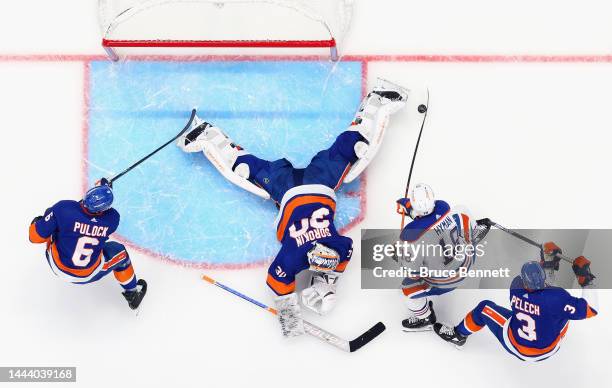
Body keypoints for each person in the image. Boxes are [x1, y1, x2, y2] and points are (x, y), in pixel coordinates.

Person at [177, 79, 408, 337]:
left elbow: (335, 258)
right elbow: (278, 281)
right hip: (316, 185)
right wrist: (314, 295)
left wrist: (317, 291)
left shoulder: (325, 247)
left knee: (250, 168)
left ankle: (207, 134)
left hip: (295, 189)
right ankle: (376, 100)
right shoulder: (298, 254)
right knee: (346, 150)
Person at [433, 249, 597, 362]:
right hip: (550, 348)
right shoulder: (558, 297)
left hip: (516, 344)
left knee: (484, 308)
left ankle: (458, 335)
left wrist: (547, 262)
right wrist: (586, 278)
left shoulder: (516, 286)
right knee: (563, 312)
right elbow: (592, 309)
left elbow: (539, 289)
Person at [29, 180, 147, 310]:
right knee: (121, 254)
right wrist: (104, 189)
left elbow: (34, 238)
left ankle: (44, 224)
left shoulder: (63, 209)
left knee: (50, 218)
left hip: (56, 264)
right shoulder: (112, 219)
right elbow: (99, 215)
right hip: (86, 273)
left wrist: (42, 222)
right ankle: (133, 293)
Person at [395, 183, 490, 331]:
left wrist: (401, 251)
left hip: (449, 281)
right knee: (461, 209)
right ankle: (473, 230)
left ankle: (425, 317)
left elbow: (412, 275)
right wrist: (412, 210)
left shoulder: (409, 235)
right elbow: (429, 217)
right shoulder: (443, 207)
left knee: (407, 289)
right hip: (468, 259)